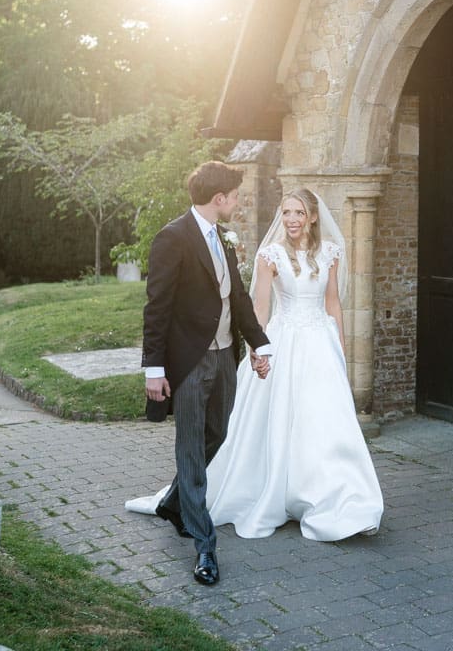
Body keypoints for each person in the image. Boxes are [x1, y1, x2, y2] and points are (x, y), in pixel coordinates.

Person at [204, 188, 383, 541]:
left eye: (298, 213)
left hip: (320, 343)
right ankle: (277, 489)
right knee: (281, 416)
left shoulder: (330, 253)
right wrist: (259, 349)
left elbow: (333, 304)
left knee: (323, 420)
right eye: (286, 213)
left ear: (312, 217)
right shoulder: (269, 256)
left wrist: (341, 349)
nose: (291, 220)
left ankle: (332, 493)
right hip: (283, 341)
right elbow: (260, 309)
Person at [138, 161, 272, 586]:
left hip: (225, 356)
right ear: (219, 199)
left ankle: (173, 503)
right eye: (234, 195)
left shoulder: (222, 237)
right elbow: (156, 308)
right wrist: (155, 369)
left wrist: (259, 343)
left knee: (219, 434)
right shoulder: (172, 238)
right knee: (191, 448)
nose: (237, 201)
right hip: (191, 362)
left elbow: (238, 298)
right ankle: (204, 545)